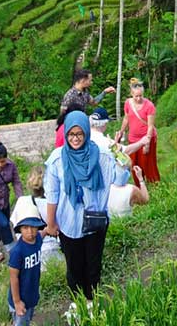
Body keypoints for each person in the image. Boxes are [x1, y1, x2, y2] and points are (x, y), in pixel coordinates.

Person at [44, 111, 131, 314]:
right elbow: (52, 194)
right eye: (71, 134)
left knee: (93, 265)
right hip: (68, 222)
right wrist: (51, 224)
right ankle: (77, 303)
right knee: (74, 266)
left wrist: (120, 156)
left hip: (95, 222)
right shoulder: (57, 159)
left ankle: (92, 302)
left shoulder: (101, 155)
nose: (75, 138)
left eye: (80, 134)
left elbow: (119, 179)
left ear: (86, 132)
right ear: (66, 135)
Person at [9, 168, 61, 265]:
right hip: (53, 248)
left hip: (28, 250)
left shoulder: (22, 201)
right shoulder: (54, 204)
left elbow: (15, 226)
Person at [6, 200, 46, 325]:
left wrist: (51, 229)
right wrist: (17, 302)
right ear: (20, 229)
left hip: (32, 294)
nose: (30, 231)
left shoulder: (38, 239)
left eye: (33, 226)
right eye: (25, 227)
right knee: (21, 322)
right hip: (20, 298)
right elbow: (14, 278)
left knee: (27, 319)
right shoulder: (17, 251)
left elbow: (43, 233)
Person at [117, 78, 160, 183]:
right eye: (136, 96)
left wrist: (147, 143)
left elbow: (150, 126)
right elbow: (126, 118)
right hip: (133, 139)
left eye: (141, 95)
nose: (138, 98)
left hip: (147, 138)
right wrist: (121, 131)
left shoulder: (149, 106)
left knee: (148, 163)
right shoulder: (128, 103)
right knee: (134, 163)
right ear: (132, 94)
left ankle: (154, 184)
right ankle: (139, 185)